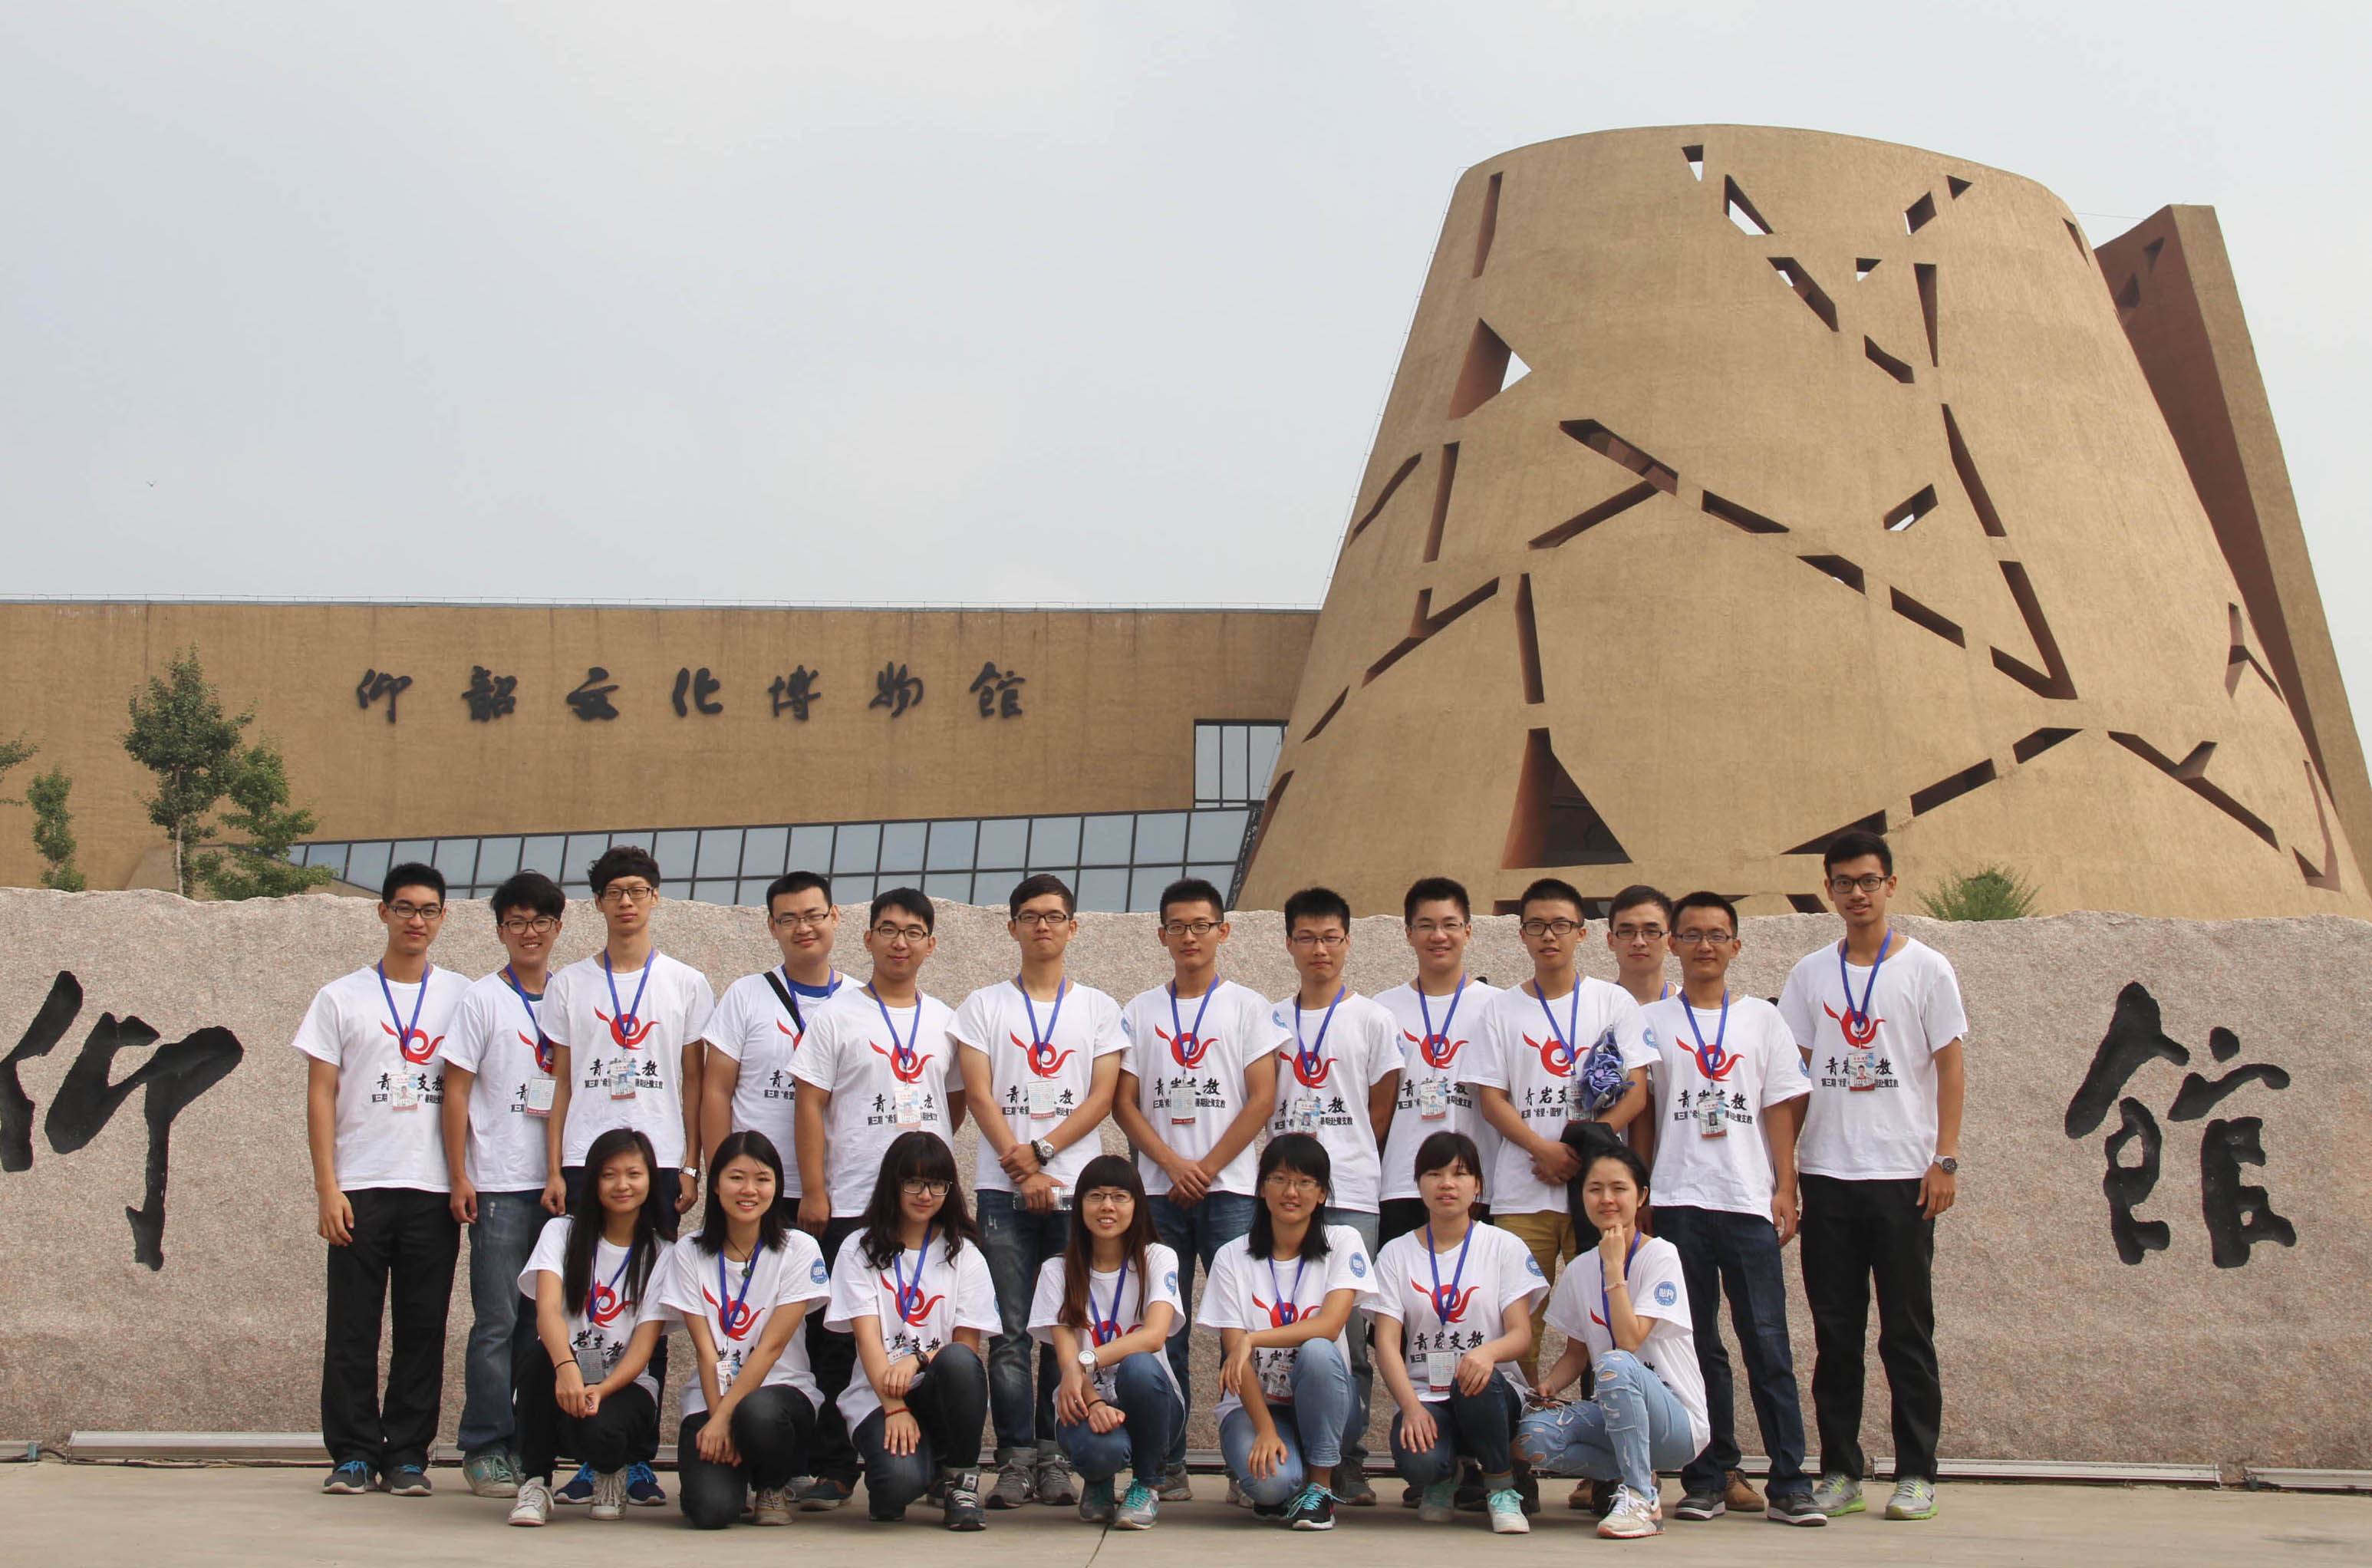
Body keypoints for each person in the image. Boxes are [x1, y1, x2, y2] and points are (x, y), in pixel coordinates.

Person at [1777, 830, 1966, 1523]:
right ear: (1828, 890)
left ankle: (1917, 1474)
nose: (1857, 893)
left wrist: (1945, 1157)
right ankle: (1841, 1472)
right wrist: (1786, 1178)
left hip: (1903, 1176)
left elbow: (1950, 1065)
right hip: (1829, 1174)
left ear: (1891, 885)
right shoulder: (1809, 975)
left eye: (1868, 880)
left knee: (1906, 1333)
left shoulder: (1927, 968)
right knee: (1836, 1335)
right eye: (1843, 882)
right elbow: (1789, 1081)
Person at [1641, 891, 1822, 1525]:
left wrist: (1785, 1186)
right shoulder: (1652, 1020)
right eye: (1691, 935)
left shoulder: (1763, 1020)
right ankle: (1707, 1476)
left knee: (1767, 1343)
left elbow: (1781, 1106)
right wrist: (1644, 1191)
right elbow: (1644, 1112)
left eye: (1717, 935)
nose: (1704, 946)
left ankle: (1791, 1481)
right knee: (1695, 1347)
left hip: (1746, 1202)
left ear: (1736, 946)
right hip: (1677, 1201)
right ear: (1673, 944)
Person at [543, 843, 716, 1506]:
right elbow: (560, 1081)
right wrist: (555, 1167)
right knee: (584, 1301)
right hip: (585, 1159)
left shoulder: (686, 982)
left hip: (661, 1162)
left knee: (650, 1301)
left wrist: (692, 1164)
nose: (626, 902)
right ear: (598, 903)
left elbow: (694, 1080)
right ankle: (593, 1454)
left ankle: (637, 1455)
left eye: (637, 890)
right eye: (614, 892)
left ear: (654, 898)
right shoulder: (569, 984)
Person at [296, 861, 473, 1497]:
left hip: (433, 1189)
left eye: (428, 910)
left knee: (421, 1331)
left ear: (443, 917)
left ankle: (406, 1456)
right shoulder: (340, 997)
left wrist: (464, 1178)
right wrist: (327, 1187)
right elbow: (321, 1094)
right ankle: (352, 1453)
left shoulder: (463, 996)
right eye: (404, 908)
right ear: (383, 913)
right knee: (352, 1329)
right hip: (361, 1186)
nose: (416, 920)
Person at [949, 874, 1126, 1510]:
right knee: (1010, 1331)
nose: (1042, 926)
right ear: (1012, 927)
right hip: (1003, 1192)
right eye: (1030, 916)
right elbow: (979, 1095)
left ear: (1073, 927)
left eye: (1054, 916)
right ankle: (1016, 1457)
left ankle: (1056, 1453)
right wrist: (1023, 1172)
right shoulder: (982, 1005)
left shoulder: (1099, 1008)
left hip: (1078, 1192)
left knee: (1065, 1327)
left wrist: (1044, 1154)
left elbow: (1102, 1098)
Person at [790, 887, 967, 1510]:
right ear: (866, 938)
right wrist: (815, 1189)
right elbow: (809, 1104)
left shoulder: (946, 1020)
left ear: (931, 945)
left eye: (914, 932)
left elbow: (954, 1102)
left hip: (924, 1206)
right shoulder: (835, 1017)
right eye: (888, 929)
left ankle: (939, 1465)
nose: (900, 942)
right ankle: (834, 1467)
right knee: (837, 1341)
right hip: (852, 1201)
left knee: (928, 1329)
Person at [1111, 876, 1282, 1500]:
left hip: (1230, 1191)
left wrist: (1205, 1167)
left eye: (1201, 925)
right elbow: (1124, 1103)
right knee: (1166, 1330)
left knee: (1241, 1328)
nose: (1190, 937)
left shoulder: (1250, 1008)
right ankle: (1169, 1462)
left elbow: (1262, 1099)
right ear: (1162, 935)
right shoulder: (1139, 1011)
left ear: (1223, 931)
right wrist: (1171, 1165)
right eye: (1178, 927)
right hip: (1159, 1196)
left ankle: (1246, 1463)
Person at [1467, 877, 1655, 1392]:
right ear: (1522, 934)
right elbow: (1492, 1100)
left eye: (1561, 925)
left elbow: (1637, 1093)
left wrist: (1586, 1149)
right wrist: (1544, 1150)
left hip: (1599, 1194)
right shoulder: (1499, 1010)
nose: (1549, 936)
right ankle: (1522, 1429)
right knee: (1516, 1323)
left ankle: (1605, 1428)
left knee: (1605, 1317)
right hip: (1523, 1191)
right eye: (1537, 926)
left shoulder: (1614, 1002)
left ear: (1583, 933)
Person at [1267, 885, 1401, 1506]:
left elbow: (1381, 1107)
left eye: (1330, 938)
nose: (1318, 949)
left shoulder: (1373, 1018)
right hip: (1283, 1194)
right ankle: (1288, 1449)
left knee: (1349, 1332)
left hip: (1350, 1192)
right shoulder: (1270, 1020)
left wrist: (1341, 1160)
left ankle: (1346, 1460)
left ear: (1347, 942)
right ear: (1289, 943)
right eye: (1306, 938)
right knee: (1282, 1316)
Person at [438, 869, 568, 1500]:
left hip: (559, 1185)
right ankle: (485, 1444)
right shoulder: (481, 999)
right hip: (498, 1183)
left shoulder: (570, 994)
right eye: (516, 922)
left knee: (541, 1323)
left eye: (540, 921)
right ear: (500, 931)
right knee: (495, 1319)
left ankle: (527, 1443)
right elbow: (456, 1091)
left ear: (558, 928)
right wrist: (459, 1175)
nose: (529, 933)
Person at [1513, 1140, 1710, 1540]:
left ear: (1642, 1196)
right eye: (1595, 1189)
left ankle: (1641, 1499)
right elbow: (1576, 1354)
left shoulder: (1661, 1256)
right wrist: (1549, 1386)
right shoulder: (1580, 1269)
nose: (1606, 1199)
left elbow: (1629, 1340)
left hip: (1676, 1423)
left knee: (1616, 1363)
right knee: (1533, 1438)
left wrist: (1614, 1268)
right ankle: (1636, 1474)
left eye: (1619, 1188)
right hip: (1618, 1414)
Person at [653, 1130, 831, 1529]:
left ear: (777, 1187)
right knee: (711, 1511)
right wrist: (718, 1418)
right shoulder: (689, 1251)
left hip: (779, 1396)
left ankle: (772, 1484)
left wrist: (726, 1418)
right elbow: (706, 1351)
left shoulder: (799, 1249)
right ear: (716, 1185)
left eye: (762, 1179)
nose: (749, 1190)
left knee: (758, 1412)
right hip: (711, 1397)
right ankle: (731, 1480)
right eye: (736, 1178)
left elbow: (771, 1349)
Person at [1369, 1131, 1545, 1534]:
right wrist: (1410, 1407)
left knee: (1475, 1380)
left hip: (1490, 1392)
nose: (1446, 1184)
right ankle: (1442, 1478)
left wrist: (1485, 1354)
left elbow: (1521, 1335)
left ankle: (1500, 1487)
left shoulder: (1504, 1246)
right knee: (1419, 1459)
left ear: (1478, 1184)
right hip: (1426, 1393)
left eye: (1460, 1174)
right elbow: (1386, 1345)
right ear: (1418, 1184)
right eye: (1434, 1174)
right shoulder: (1396, 1253)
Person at [1198, 1133, 1375, 1532]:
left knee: (1318, 1349)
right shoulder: (1231, 1256)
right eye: (1278, 1179)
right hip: (1258, 1405)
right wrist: (1264, 1429)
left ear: (1322, 1193)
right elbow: (1237, 1359)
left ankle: (1320, 1488)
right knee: (1270, 1485)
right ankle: (1287, 1484)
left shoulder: (1343, 1241)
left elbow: (1330, 1326)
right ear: (1261, 1188)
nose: (1291, 1192)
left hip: (1327, 1401)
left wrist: (1254, 1338)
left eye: (1305, 1182)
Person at [825, 1130, 998, 1530]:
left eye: (937, 1184)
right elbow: (867, 1340)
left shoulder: (964, 1253)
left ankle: (960, 1481)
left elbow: (965, 1349)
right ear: (893, 1183)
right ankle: (913, 1470)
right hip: (879, 1394)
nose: (926, 1194)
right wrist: (894, 1407)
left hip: (938, 1389)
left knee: (958, 1363)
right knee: (895, 1487)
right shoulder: (859, 1248)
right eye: (914, 1182)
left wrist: (918, 1360)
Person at [507, 1127, 667, 1526]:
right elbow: (547, 1311)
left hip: (623, 1386)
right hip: (564, 1372)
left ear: (650, 1179)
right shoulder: (561, 1232)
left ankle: (610, 1472)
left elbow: (644, 1348)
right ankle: (536, 1483)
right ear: (593, 1180)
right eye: (609, 1174)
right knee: (536, 1360)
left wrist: (602, 1389)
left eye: (634, 1174)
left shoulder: (662, 1252)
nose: (622, 1185)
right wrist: (566, 1369)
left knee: (605, 1433)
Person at [1030, 1155, 1188, 1530]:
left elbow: (1153, 1336)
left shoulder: (1158, 1258)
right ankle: (1098, 1480)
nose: (1107, 1207)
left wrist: (1086, 1361)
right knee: (1104, 1449)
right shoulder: (1056, 1270)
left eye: (1119, 1197)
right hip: (1083, 1402)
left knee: (1139, 1365)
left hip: (1152, 1399)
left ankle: (1146, 1485)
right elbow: (1066, 1358)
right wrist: (1095, 1401)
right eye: (1096, 1196)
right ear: (1080, 1204)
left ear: (1137, 1205)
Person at [698, 869, 847, 1217]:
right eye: (789, 919)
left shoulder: (859, 1000)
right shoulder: (745, 994)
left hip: (839, 1187)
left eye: (813, 916)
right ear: (772, 926)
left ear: (834, 916)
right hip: (757, 1189)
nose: (803, 928)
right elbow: (716, 1092)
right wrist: (722, 1180)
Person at [1375, 876, 1504, 1248]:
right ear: (1408, 933)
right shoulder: (1382, 1008)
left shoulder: (1497, 1005)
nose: (1439, 936)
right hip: (1401, 1182)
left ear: (1468, 931)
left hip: (1477, 1182)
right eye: (1426, 926)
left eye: (1450, 924)